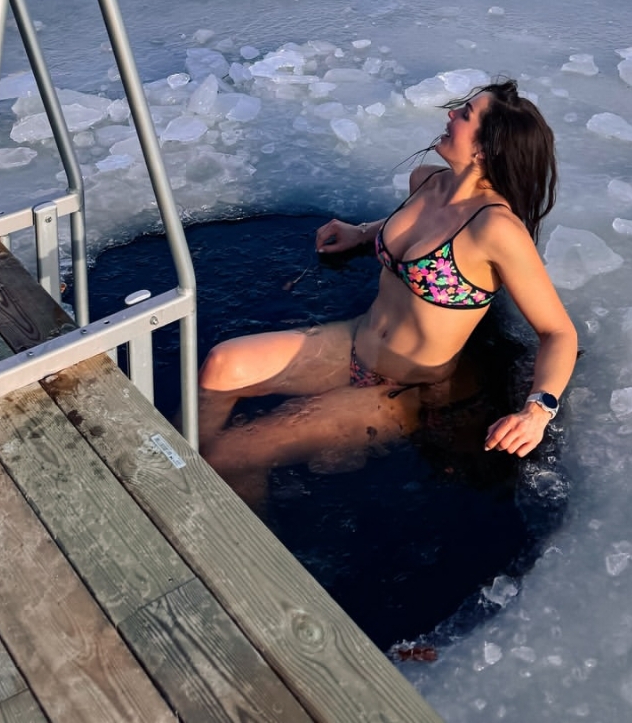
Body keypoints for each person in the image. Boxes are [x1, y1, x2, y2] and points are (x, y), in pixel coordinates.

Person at [198, 81, 578, 500]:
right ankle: (178, 471)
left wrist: (538, 410)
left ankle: (211, 512)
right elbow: (411, 232)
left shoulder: (497, 229)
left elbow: (558, 332)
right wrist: (362, 232)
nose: (450, 114)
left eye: (465, 114)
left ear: (485, 149)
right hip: (354, 342)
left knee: (232, 452)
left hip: (404, 389)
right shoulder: (427, 182)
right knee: (221, 365)